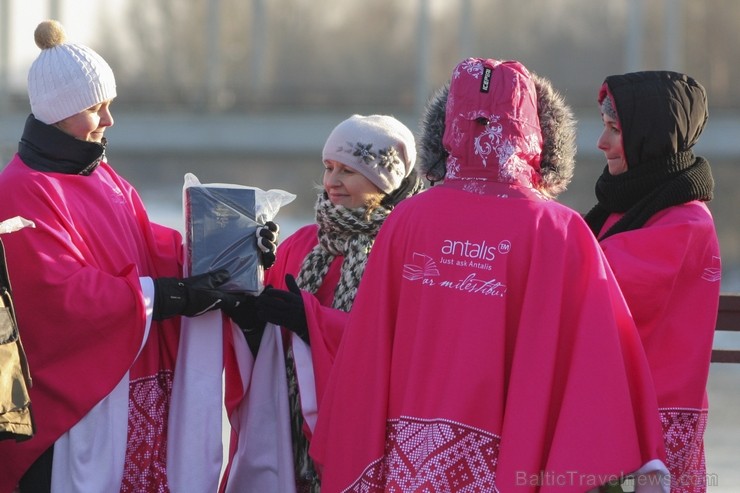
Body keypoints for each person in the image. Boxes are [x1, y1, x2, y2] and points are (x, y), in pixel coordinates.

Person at [308, 58, 670, 492]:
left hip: (408, 465)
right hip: (512, 461)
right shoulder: (559, 229)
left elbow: (367, 349)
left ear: (448, 125)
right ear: (536, 128)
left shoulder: (408, 220)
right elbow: (601, 356)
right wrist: (645, 452)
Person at [0, 20, 275, 493]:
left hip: (123, 394)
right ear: (56, 113)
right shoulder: (20, 192)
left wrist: (229, 251)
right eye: (95, 108)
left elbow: (148, 248)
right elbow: (53, 294)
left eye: (109, 105)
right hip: (65, 416)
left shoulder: (104, 177)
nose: (108, 120)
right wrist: (164, 297)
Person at [220, 114, 424, 492]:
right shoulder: (302, 243)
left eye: (348, 170)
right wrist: (249, 295)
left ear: (385, 180)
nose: (331, 181)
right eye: (328, 167)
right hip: (292, 442)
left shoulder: (407, 251)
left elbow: (404, 349)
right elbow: (264, 346)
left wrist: (313, 324)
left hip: (368, 439)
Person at [584, 71, 720, 492]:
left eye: (614, 130)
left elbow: (596, 285)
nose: (601, 143)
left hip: (649, 432)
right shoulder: (623, 208)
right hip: (617, 417)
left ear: (650, 138)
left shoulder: (686, 221)